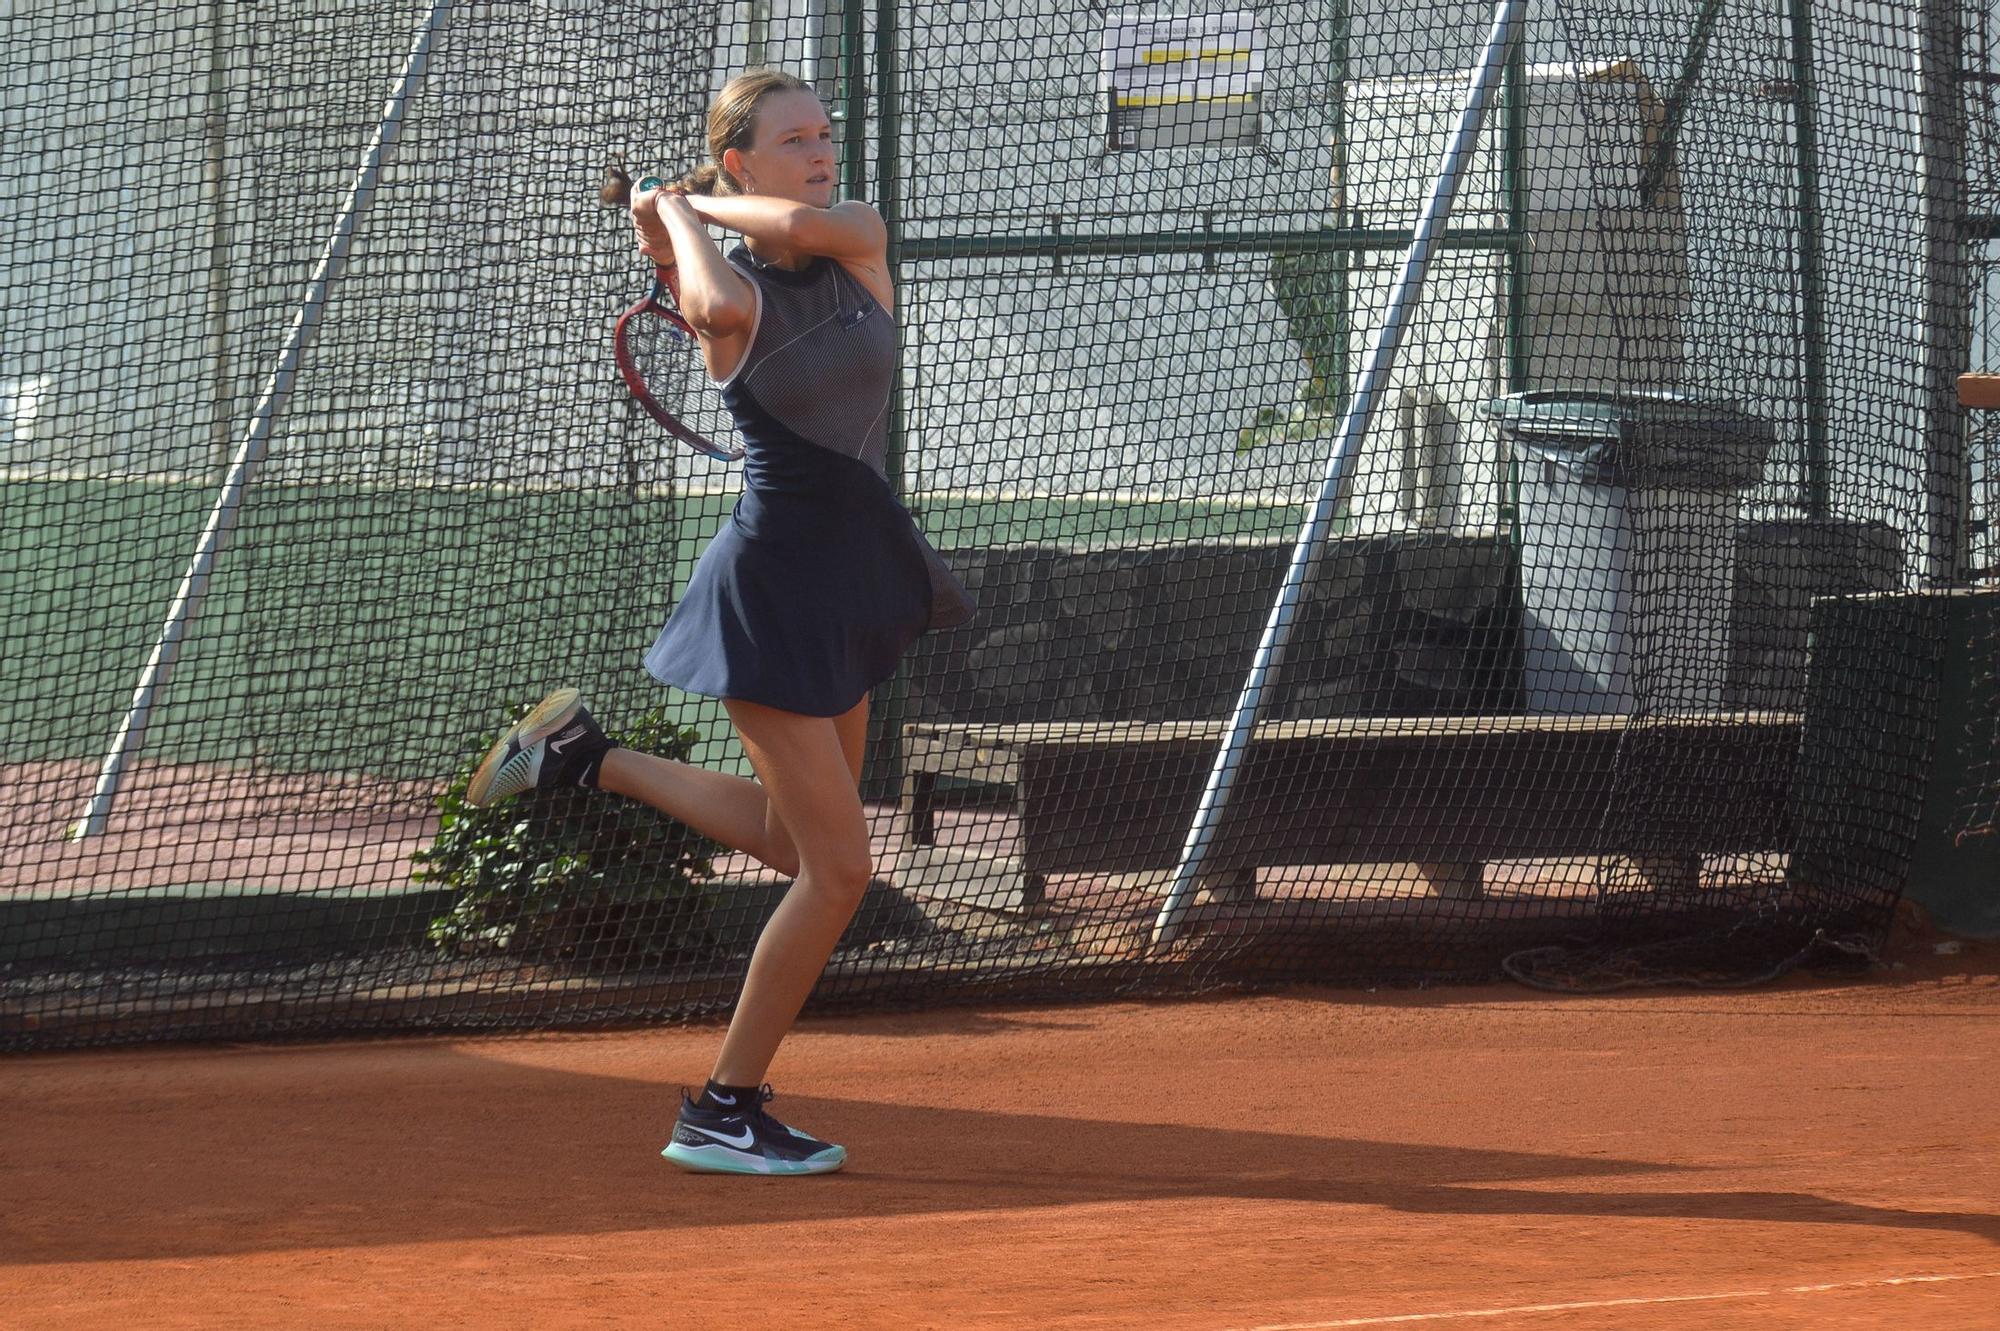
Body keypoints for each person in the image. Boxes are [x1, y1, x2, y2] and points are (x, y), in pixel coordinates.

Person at [461, 69, 974, 1176]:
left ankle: (585, 756)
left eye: (824, 135)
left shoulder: (857, 241)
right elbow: (705, 305)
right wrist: (679, 226)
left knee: (800, 845)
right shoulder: (732, 294)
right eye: (792, 139)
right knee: (838, 871)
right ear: (739, 158)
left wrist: (679, 202)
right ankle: (722, 1105)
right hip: (774, 589)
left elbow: (796, 222)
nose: (821, 151)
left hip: (856, 575)